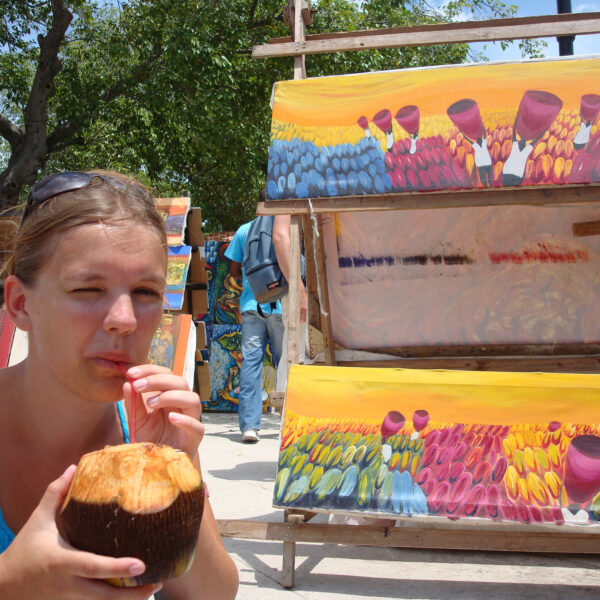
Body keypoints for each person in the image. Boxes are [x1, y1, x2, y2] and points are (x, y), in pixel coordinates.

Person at [0, 170, 239, 599]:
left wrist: (180, 463)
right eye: (89, 288)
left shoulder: (148, 431)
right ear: (21, 304)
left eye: (146, 292)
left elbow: (210, 595)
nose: (125, 320)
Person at [225, 220, 284, 443]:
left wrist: (254, 285)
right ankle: (289, 421)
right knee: (286, 365)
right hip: (281, 306)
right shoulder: (286, 226)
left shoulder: (243, 230)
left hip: (252, 305)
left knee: (251, 364)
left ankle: (250, 427)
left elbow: (233, 270)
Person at [272, 214, 308, 393]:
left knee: (298, 354)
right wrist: (299, 291)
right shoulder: (288, 187)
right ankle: (289, 416)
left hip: (304, 287)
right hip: (304, 288)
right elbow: (280, 236)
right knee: (298, 356)